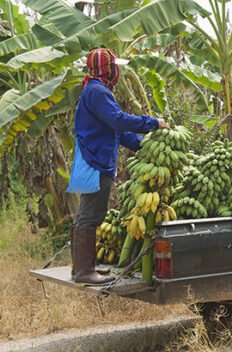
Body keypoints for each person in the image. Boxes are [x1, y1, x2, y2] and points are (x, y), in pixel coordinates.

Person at [66, 48, 170, 285]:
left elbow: (115, 132)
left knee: (90, 213)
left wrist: (144, 145)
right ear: (107, 69)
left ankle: (83, 268)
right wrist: (152, 123)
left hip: (96, 157)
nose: (118, 72)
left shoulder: (94, 90)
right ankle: (84, 271)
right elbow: (118, 120)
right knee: (90, 214)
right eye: (115, 67)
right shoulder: (98, 91)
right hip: (96, 160)